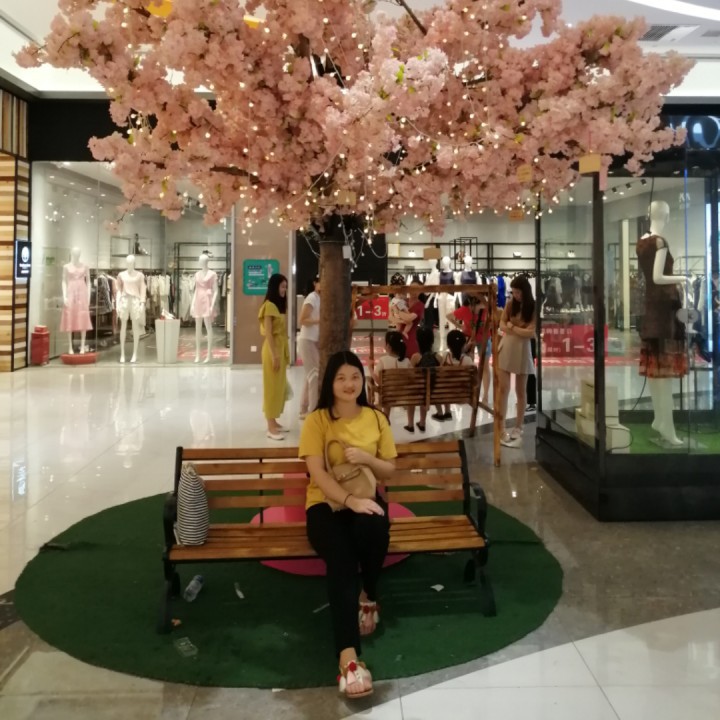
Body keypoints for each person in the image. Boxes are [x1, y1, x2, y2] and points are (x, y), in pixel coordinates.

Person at [299, 350, 397, 699]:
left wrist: (368, 458)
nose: (348, 384)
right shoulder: (317, 421)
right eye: (341, 378)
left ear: (362, 380)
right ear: (330, 383)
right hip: (324, 505)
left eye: (354, 376)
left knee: (375, 527)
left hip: (364, 495)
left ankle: (368, 594)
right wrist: (349, 500)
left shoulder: (376, 418)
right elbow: (317, 473)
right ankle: (348, 658)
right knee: (340, 556)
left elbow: (389, 470)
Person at [497, 275, 536, 448]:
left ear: (525, 291)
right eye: (514, 292)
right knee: (503, 389)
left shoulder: (532, 307)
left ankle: (518, 426)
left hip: (523, 350)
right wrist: (519, 329)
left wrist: (512, 327)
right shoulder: (510, 304)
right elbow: (501, 324)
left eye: (518, 292)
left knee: (521, 391)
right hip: (506, 348)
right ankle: (501, 427)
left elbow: (531, 333)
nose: (516, 295)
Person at [258, 273, 289, 440]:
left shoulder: (276, 306)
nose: (284, 290)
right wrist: (275, 355)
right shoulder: (269, 306)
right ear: (275, 287)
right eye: (282, 286)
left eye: (285, 287)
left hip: (279, 348)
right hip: (272, 350)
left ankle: (274, 421)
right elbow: (269, 333)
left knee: (278, 387)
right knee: (271, 388)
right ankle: (270, 426)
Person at [446, 293, 492, 405]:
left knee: (485, 366)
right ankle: (469, 392)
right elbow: (449, 316)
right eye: (479, 305)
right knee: (468, 365)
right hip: (468, 338)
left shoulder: (487, 309)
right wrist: (460, 326)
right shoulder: (465, 309)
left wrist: (488, 326)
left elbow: (495, 320)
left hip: (484, 338)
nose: (482, 305)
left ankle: (485, 396)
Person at [373, 331, 413, 431]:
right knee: (391, 391)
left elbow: (378, 381)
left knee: (386, 391)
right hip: (405, 396)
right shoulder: (406, 361)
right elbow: (412, 378)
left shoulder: (383, 360)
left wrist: (370, 368)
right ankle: (410, 424)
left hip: (388, 396)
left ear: (388, 346)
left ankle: (386, 420)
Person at [433, 329, 474, 420]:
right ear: (464, 345)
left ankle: (446, 411)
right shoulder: (467, 360)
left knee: (442, 384)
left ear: (448, 345)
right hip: (463, 396)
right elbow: (475, 378)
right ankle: (447, 412)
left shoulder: (446, 357)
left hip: (447, 395)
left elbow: (440, 375)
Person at [410, 326, 443, 431]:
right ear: (432, 341)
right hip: (436, 391)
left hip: (420, 392)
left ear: (417, 341)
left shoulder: (416, 357)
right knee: (428, 386)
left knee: (423, 388)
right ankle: (424, 421)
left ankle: (422, 422)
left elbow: (410, 374)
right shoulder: (438, 357)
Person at [298, 276, 321, 419]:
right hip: (307, 340)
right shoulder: (312, 298)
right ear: (315, 283)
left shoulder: (319, 298)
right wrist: (319, 320)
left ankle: (304, 408)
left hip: (313, 341)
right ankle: (312, 411)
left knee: (310, 376)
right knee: (314, 376)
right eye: (321, 282)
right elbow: (302, 319)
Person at [191, 254, 219, 363]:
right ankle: (197, 354)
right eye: (199, 260)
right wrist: (192, 304)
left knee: (208, 327)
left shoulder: (212, 274)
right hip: (198, 300)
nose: (199, 262)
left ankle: (209, 354)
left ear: (206, 262)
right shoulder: (197, 274)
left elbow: (216, 290)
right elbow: (196, 290)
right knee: (197, 328)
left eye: (201, 260)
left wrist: (212, 304)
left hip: (207, 300)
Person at [396, 282, 426, 357]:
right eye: (412, 289)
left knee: (410, 357)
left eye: (416, 289)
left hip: (410, 338)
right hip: (398, 336)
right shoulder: (403, 301)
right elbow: (392, 315)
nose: (414, 291)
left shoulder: (420, 305)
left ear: (420, 291)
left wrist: (398, 312)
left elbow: (408, 319)